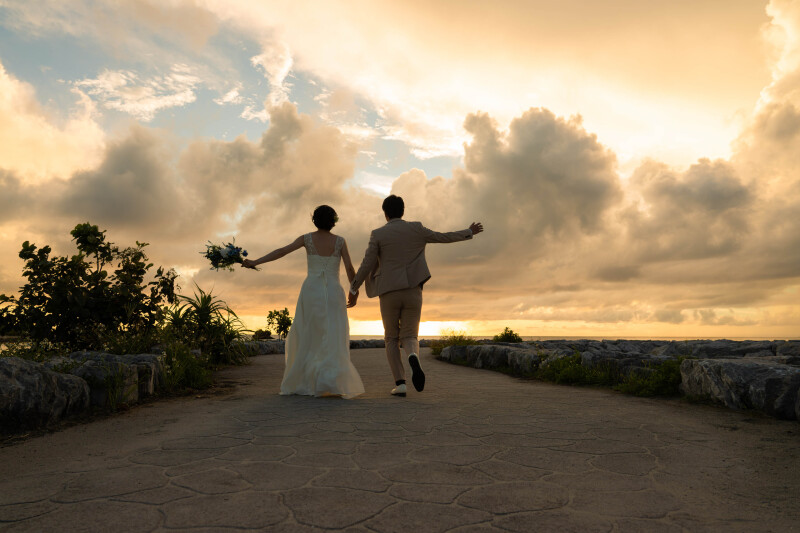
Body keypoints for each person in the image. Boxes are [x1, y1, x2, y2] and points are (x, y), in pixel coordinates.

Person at [348, 195, 483, 397]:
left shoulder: (378, 234)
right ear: (403, 211)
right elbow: (442, 237)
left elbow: (367, 263)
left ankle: (400, 383)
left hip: (388, 292)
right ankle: (412, 355)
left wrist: (353, 288)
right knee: (410, 335)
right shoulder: (416, 228)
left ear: (385, 213)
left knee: (391, 338)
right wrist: (468, 232)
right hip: (413, 290)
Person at [242, 205, 364, 399]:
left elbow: (282, 251)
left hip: (311, 292)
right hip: (333, 292)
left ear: (314, 220)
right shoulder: (340, 241)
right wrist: (354, 290)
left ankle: (308, 381)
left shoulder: (307, 239)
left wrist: (255, 262)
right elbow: (350, 268)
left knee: (309, 334)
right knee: (333, 333)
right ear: (333, 221)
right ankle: (331, 381)